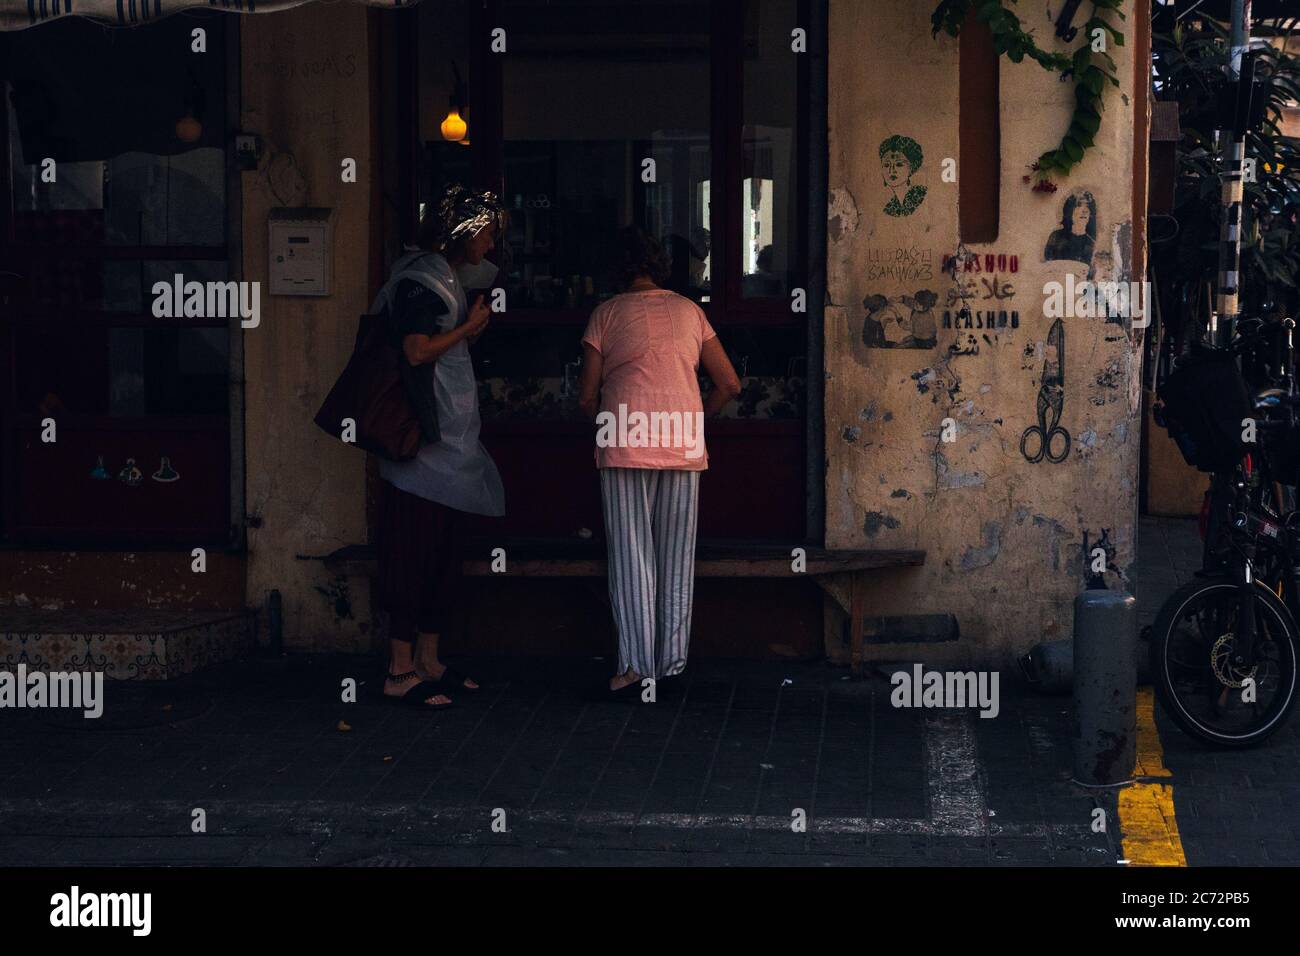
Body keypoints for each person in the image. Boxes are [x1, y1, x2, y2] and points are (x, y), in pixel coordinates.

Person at [578, 226, 742, 698]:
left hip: (623, 441)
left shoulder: (605, 314)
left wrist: (610, 417)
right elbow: (729, 384)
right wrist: (693, 418)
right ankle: (670, 664)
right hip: (684, 443)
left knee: (632, 557)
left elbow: (587, 395)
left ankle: (635, 666)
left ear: (619, 269)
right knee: (675, 557)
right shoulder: (691, 312)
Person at [374, 184, 507, 709]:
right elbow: (415, 350)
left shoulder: (445, 276)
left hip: (450, 445)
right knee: (413, 555)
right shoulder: (420, 280)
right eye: (488, 233)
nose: (492, 246)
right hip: (421, 451)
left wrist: (464, 332)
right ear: (465, 233)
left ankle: (429, 660)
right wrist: (469, 328)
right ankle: (399, 670)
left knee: (443, 558)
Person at [1044, 190, 1097, 275]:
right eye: (1079, 206)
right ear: (1070, 211)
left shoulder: (1091, 244)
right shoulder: (1056, 237)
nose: (1084, 211)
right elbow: (1048, 263)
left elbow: (1091, 273)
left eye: (1087, 207)